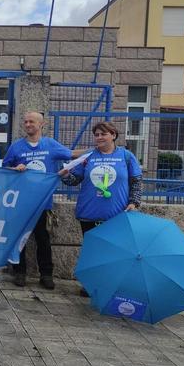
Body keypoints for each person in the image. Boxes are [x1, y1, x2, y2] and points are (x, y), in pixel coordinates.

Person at [59, 121, 143, 295]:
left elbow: (136, 182)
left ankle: (111, 284)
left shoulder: (126, 156)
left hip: (116, 214)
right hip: (90, 213)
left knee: (114, 251)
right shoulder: (89, 156)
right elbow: (75, 179)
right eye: (96, 134)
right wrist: (65, 176)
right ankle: (90, 284)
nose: (99, 138)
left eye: (103, 134)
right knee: (92, 251)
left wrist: (134, 202)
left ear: (113, 135)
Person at [2, 111, 80, 289]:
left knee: (42, 238)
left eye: (31, 121)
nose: (28, 124)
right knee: (18, 238)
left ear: (41, 124)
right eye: (26, 121)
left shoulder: (50, 145)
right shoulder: (16, 147)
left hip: (42, 203)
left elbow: (72, 154)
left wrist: (95, 151)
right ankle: (19, 272)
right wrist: (15, 168)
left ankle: (46, 274)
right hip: (20, 201)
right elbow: (5, 168)